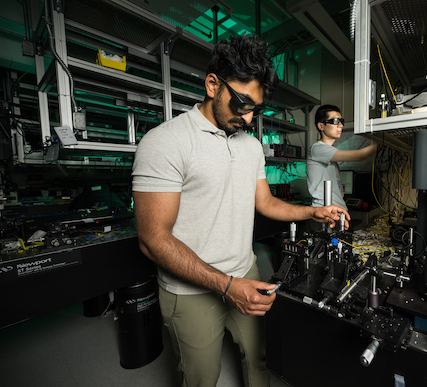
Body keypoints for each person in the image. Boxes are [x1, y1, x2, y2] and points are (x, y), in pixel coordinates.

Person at [131, 34, 350, 387]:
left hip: (245, 271)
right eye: (242, 103)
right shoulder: (165, 142)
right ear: (212, 84)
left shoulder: (251, 146)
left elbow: (264, 203)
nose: (248, 117)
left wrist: (311, 213)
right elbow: (152, 239)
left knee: (260, 360)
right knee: (202, 378)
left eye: (256, 109)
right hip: (191, 292)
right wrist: (227, 286)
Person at [306, 105, 378, 232]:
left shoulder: (328, 153)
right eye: (335, 121)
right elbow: (360, 155)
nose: (340, 125)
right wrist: (383, 142)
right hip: (324, 215)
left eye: (341, 121)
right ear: (321, 126)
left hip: (336, 214)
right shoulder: (318, 148)